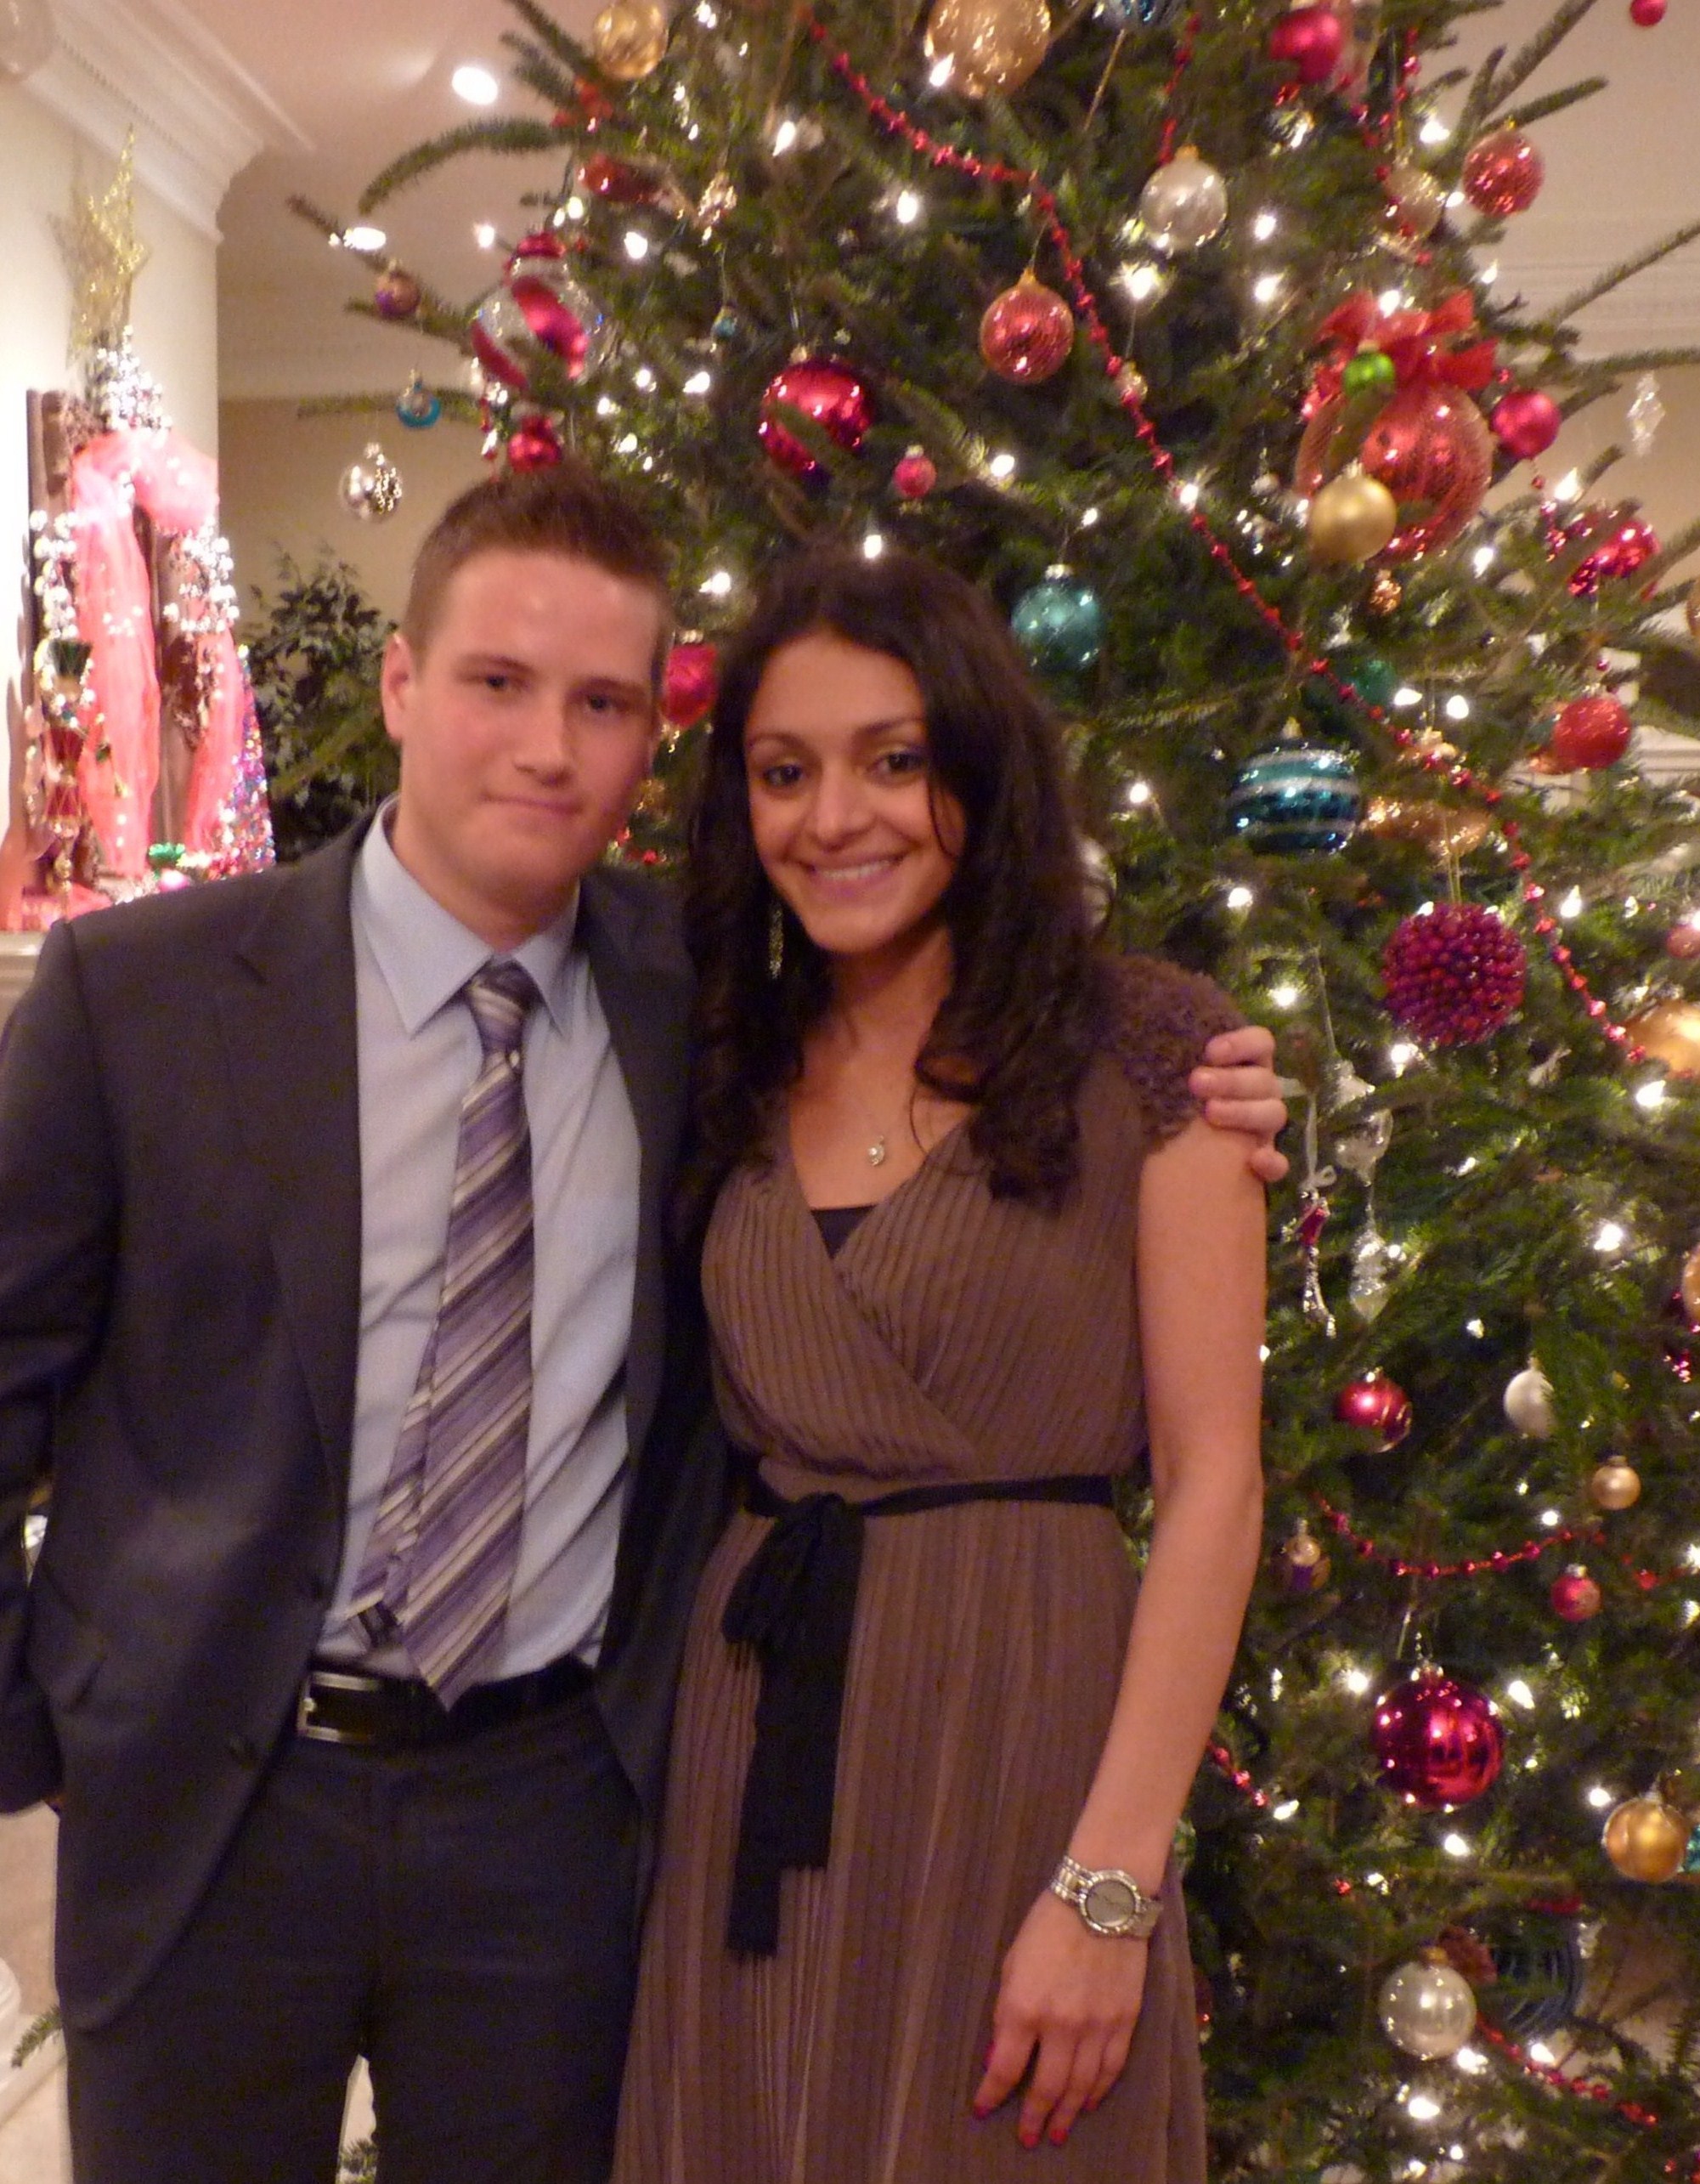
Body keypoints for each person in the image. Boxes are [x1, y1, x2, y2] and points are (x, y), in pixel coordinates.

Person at [0, 467, 1280, 2184]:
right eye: (497, 681)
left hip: (553, 1815)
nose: (548, 747)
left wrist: (1216, 1080)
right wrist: (50, 1726)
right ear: (401, 683)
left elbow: (1043, 1115)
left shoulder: (700, 997)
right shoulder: (140, 993)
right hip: (214, 1806)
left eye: (602, 703)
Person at [613, 546, 1267, 2183]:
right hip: (753, 1733)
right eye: (784, 772)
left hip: (1023, 1730)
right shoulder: (725, 1060)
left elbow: (1212, 1489)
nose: (834, 817)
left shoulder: (1155, 1053)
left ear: (977, 768)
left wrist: (1108, 1889)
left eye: (891, 759)